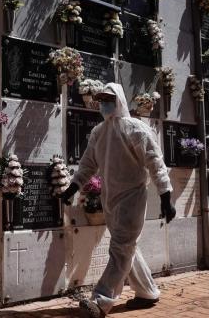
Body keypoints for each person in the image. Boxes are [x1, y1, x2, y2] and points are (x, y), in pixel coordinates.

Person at [59, 83, 176, 318]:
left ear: (120, 100)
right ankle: (147, 292)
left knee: (120, 247)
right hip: (109, 198)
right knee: (127, 247)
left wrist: (166, 196)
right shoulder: (99, 132)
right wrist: (72, 187)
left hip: (132, 197)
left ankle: (101, 300)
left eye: (109, 99)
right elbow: (88, 164)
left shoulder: (136, 129)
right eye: (101, 100)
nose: (104, 104)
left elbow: (155, 163)